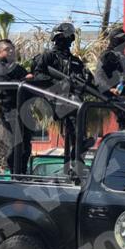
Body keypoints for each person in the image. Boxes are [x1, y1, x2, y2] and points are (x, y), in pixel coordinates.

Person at [31, 22, 94, 163]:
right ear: (56, 38)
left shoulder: (76, 61)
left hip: (72, 100)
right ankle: (78, 148)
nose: (65, 41)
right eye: (62, 38)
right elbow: (38, 75)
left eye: (67, 38)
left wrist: (88, 78)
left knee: (79, 108)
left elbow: (87, 81)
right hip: (51, 98)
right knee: (75, 107)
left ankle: (77, 157)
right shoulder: (47, 57)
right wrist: (60, 84)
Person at [0, 39, 33, 176]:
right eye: (7, 49)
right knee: (17, 144)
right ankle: (14, 171)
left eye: (12, 49)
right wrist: (23, 80)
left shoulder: (17, 67)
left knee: (26, 145)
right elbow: (7, 85)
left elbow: (28, 78)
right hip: (11, 111)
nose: (11, 51)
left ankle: (22, 172)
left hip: (24, 110)